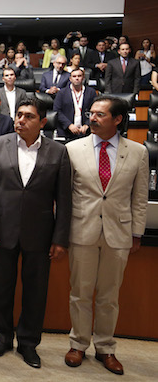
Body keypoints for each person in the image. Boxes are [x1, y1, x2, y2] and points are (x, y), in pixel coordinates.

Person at [63, 96, 148, 376]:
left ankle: (105, 348)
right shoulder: (73, 149)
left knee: (109, 296)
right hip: (82, 229)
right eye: (91, 113)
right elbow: (65, 196)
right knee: (80, 293)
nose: (93, 118)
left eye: (100, 114)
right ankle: (78, 344)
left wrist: (136, 232)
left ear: (118, 119)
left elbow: (139, 197)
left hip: (119, 232)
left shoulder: (138, 152)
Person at [0, 98, 71, 369]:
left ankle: (28, 342)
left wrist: (60, 238)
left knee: (35, 291)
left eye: (28, 116)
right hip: (2, 230)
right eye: (18, 115)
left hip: (40, 233)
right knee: (1, 288)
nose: (20, 120)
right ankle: (2, 336)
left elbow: (65, 199)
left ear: (42, 122)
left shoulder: (58, 152)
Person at [54, 68, 96, 141]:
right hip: (66, 131)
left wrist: (87, 124)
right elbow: (57, 111)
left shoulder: (91, 92)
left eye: (79, 76)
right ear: (70, 79)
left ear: (83, 78)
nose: (77, 78)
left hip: (85, 131)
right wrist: (69, 125)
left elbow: (95, 111)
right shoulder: (62, 93)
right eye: (74, 76)